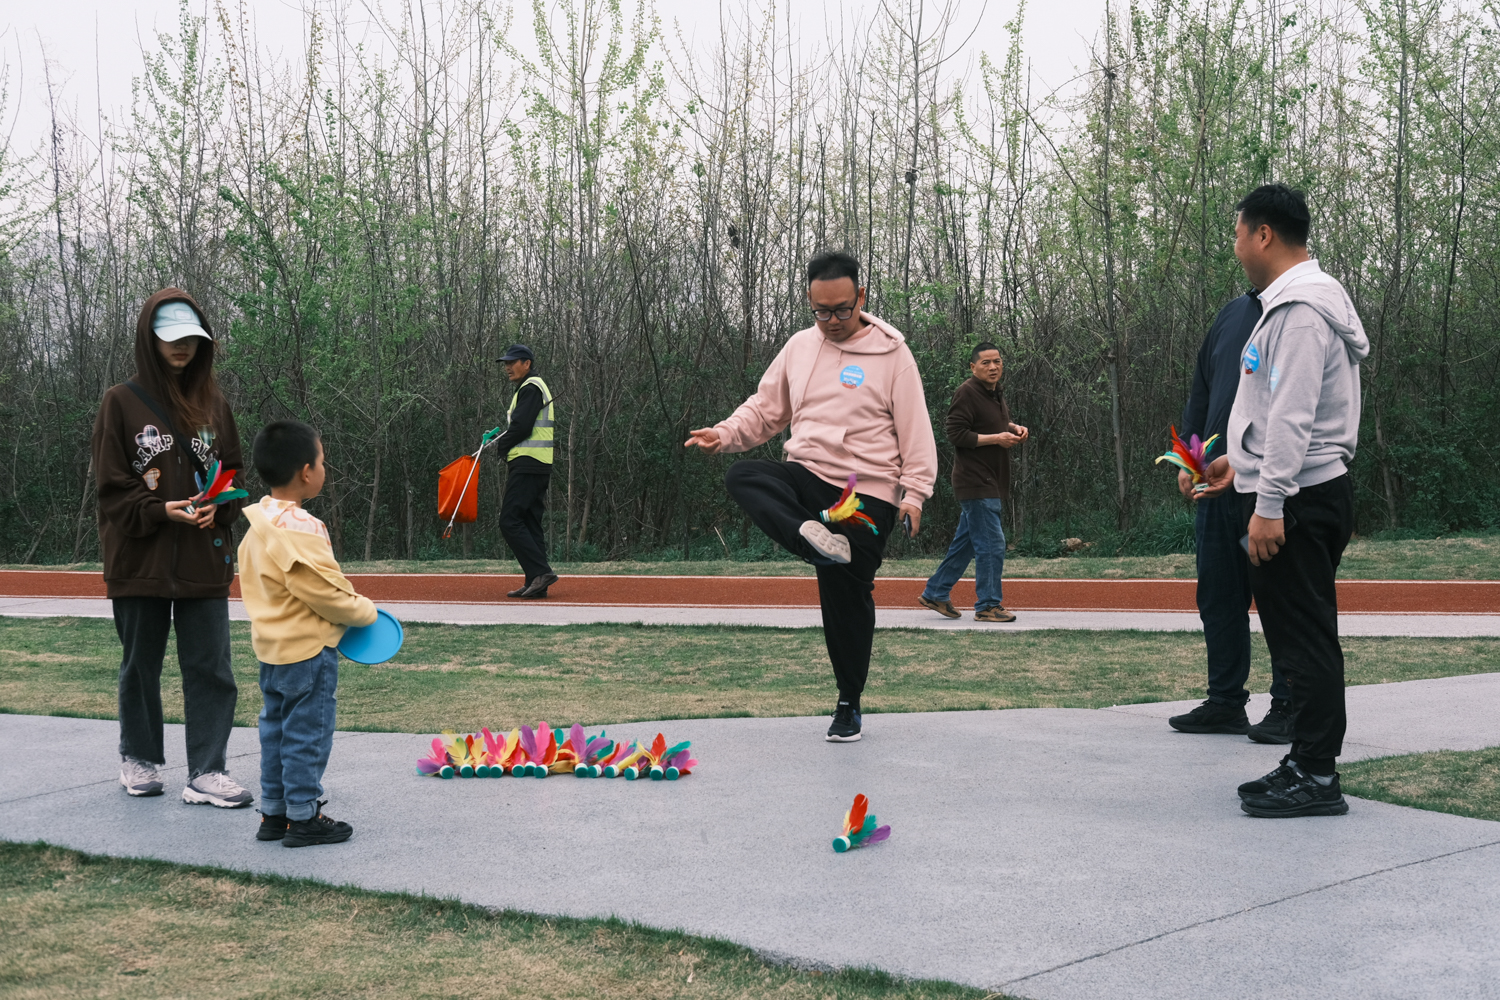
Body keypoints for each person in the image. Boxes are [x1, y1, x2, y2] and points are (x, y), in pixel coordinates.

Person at [685, 251, 937, 742]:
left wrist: (915, 496)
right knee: (745, 475)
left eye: (842, 310)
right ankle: (811, 536)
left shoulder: (893, 356)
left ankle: (848, 703)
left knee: (846, 598)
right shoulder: (801, 346)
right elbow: (765, 409)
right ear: (810, 302)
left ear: (861, 297)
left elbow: (917, 431)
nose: (833, 322)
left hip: (865, 495)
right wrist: (724, 431)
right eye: (822, 311)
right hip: (807, 478)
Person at [1199, 183, 1368, 818]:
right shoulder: (1292, 305)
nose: (1237, 246)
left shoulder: (1299, 311)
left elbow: (1294, 420)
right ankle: (1305, 760)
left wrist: (1268, 504)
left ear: (1263, 234)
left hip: (1297, 497)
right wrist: (1234, 463)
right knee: (1295, 634)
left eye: (1239, 233)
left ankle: (1319, 776)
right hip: (1289, 488)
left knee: (1305, 636)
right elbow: (1272, 415)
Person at [92, 290, 254, 808]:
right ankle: (138, 758)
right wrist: (161, 509)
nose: (181, 347)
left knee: (211, 667)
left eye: (190, 338)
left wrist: (219, 506)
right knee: (141, 663)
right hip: (140, 559)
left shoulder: (215, 404)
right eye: (170, 338)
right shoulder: (122, 401)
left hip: (203, 559)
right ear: (149, 340)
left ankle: (208, 770)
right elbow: (113, 486)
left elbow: (233, 473)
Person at [239, 420, 377, 847]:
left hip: (271, 650)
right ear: (305, 471)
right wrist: (365, 612)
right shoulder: (303, 526)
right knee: (307, 734)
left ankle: (274, 813)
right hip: (308, 651)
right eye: (322, 461)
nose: (324, 468)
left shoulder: (255, 526)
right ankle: (304, 817)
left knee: (275, 732)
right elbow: (324, 591)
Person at [1166, 281, 1294, 742]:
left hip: (1268, 486)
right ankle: (1225, 702)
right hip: (1217, 488)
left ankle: (1289, 704)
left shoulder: (1293, 314)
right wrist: (1189, 455)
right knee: (1219, 595)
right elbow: (1202, 391)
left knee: (1281, 597)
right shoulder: (1231, 314)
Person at [918, 343, 1028, 623]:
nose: (993, 367)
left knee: (966, 544)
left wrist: (1012, 427)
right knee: (992, 544)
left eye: (997, 362)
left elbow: (990, 423)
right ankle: (988, 605)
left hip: (992, 479)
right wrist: (997, 439)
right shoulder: (967, 391)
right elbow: (955, 433)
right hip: (976, 481)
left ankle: (936, 592)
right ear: (973, 367)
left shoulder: (994, 392)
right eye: (986, 363)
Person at [486, 344, 558, 599]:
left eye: (512, 362)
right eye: (505, 362)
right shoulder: (529, 388)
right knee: (529, 522)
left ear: (526, 363)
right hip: (536, 462)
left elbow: (522, 427)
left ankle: (541, 571)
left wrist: (499, 445)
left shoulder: (531, 387)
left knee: (509, 520)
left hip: (528, 462)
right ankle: (536, 583)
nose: (507, 367)